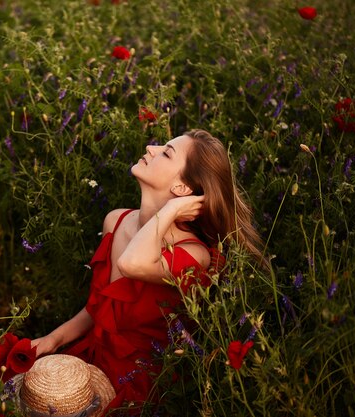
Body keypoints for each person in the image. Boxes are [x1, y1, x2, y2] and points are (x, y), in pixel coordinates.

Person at [30, 129, 265, 413]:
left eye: (166, 152)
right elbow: (100, 309)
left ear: (182, 189)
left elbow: (131, 264)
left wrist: (170, 212)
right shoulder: (115, 220)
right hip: (88, 366)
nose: (150, 147)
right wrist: (54, 338)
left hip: (141, 388)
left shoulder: (194, 254)